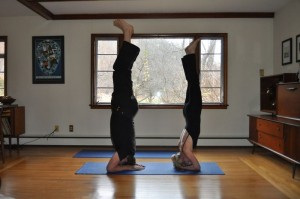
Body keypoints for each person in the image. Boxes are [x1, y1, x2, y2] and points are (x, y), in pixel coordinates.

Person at [106, 19, 145, 173]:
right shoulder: (124, 149)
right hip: (123, 107)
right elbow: (110, 169)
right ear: (123, 160)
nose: (116, 159)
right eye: (120, 161)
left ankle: (127, 33)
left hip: (125, 108)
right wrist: (130, 167)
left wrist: (130, 165)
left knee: (123, 71)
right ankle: (127, 32)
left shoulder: (129, 148)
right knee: (121, 69)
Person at [171, 39, 202, 171]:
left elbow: (197, 168)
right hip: (188, 113)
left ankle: (190, 53)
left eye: (186, 161)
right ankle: (189, 54)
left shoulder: (185, 149)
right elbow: (178, 156)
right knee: (192, 82)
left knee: (193, 81)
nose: (189, 159)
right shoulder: (180, 146)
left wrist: (186, 167)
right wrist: (180, 160)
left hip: (193, 111)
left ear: (182, 160)